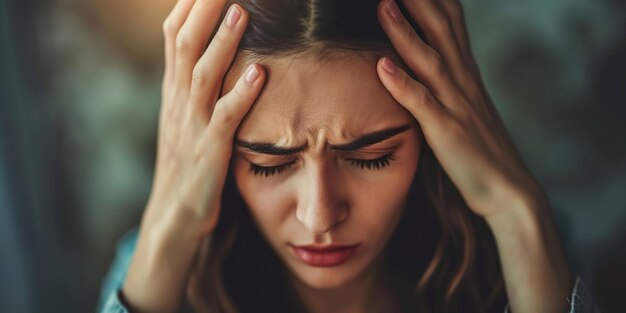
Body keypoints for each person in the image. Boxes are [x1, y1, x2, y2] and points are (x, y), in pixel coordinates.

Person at [98, 0, 601, 312]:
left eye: (372, 157)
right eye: (268, 163)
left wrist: (515, 211)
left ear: (434, 138)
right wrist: (173, 221)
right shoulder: (156, 275)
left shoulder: (528, 258)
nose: (320, 215)